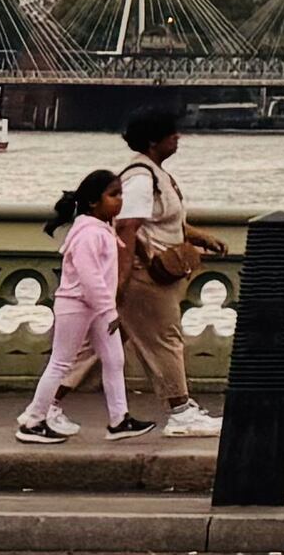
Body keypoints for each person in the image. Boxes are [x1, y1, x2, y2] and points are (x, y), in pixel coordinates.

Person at [110, 106, 225, 440]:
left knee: (98, 349)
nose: (178, 137)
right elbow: (128, 227)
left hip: (148, 274)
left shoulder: (154, 174)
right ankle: (180, 411)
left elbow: (166, 221)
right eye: (171, 133)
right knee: (166, 341)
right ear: (152, 141)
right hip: (146, 275)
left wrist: (201, 237)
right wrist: (122, 278)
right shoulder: (141, 178)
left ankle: (43, 410)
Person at [16, 169, 132, 443]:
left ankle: (120, 419)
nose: (120, 200)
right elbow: (90, 277)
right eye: (113, 194)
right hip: (78, 305)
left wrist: (105, 309)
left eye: (120, 194)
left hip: (94, 307)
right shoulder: (90, 234)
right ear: (94, 202)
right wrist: (109, 311)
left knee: (114, 359)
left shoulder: (100, 230)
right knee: (60, 363)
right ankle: (33, 421)